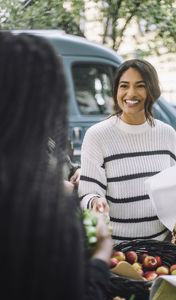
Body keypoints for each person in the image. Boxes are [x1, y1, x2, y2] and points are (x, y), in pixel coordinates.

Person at [0, 31, 113, 300]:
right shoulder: (45, 214)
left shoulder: (48, 135)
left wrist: (74, 172)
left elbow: (63, 160)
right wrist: (101, 253)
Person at [79, 59, 176, 245]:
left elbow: (171, 193)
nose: (131, 93)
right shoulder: (97, 135)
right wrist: (95, 202)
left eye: (140, 86)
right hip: (116, 252)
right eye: (124, 86)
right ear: (116, 91)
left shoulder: (167, 134)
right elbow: (87, 193)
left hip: (161, 248)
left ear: (152, 91)